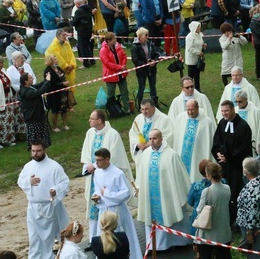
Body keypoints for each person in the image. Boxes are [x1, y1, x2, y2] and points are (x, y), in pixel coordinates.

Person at [81, 109, 134, 250]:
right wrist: (89, 166)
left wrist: (97, 167)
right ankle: (94, 239)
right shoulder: (90, 133)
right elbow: (86, 154)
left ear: (99, 120)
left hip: (108, 182)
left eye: (91, 118)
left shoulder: (113, 134)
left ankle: (114, 243)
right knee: (94, 210)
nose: (89, 120)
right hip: (94, 177)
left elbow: (115, 158)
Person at [137, 129, 192, 252]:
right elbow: (142, 174)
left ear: (161, 139)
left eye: (155, 138)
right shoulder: (146, 154)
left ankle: (179, 242)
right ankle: (154, 245)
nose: (152, 141)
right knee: (152, 217)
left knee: (172, 213)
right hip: (151, 195)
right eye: (150, 139)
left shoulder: (171, 155)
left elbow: (180, 176)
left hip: (168, 196)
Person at [17, 141, 69, 259]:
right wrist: (28, 182)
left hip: (50, 207)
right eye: (33, 151)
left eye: (38, 151)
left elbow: (65, 183)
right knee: (34, 238)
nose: (35, 153)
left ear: (45, 150)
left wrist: (55, 190)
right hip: (34, 208)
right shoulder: (28, 166)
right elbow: (20, 181)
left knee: (53, 238)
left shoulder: (54, 166)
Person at [92, 148, 142, 259]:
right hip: (104, 210)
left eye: (99, 160)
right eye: (96, 160)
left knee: (120, 237)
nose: (97, 163)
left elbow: (126, 193)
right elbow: (97, 189)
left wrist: (107, 194)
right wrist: (97, 197)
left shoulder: (117, 173)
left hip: (117, 210)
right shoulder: (97, 172)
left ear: (107, 159)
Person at [212, 100, 252, 223]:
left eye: (226, 111)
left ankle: (237, 220)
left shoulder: (243, 126)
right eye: (222, 111)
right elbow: (216, 141)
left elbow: (243, 148)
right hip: (224, 166)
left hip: (237, 167)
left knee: (236, 193)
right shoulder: (222, 123)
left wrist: (228, 157)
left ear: (233, 110)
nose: (224, 113)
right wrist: (218, 153)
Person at [171, 99, 216, 182]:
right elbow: (177, 137)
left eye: (192, 110)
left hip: (197, 157)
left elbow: (209, 142)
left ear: (198, 108)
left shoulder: (207, 122)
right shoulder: (181, 118)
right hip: (182, 156)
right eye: (188, 110)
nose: (190, 112)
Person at [194, 161, 232, 259]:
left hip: (209, 232)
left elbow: (199, 210)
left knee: (206, 255)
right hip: (224, 230)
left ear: (209, 175)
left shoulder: (207, 191)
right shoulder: (227, 188)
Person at [236, 158, 260, 258]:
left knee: (255, 254)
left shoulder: (253, 188)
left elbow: (252, 210)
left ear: (246, 171)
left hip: (255, 227)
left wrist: (249, 232)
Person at [0, 55, 21, 149]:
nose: (3, 64)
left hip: (8, 98)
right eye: (1, 63)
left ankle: (8, 139)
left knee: (8, 120)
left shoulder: (3, 71)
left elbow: (9, 83)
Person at [19, 72, 51, 150]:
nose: (32, 78)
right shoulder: (26, 92)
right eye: (30, 78)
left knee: (43, 142)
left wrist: (46, 79)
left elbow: (40, 85)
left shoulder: (30, 87)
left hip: (39, 117)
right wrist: (47, 82)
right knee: (36, 142)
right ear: (25, 82)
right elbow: (39, 91)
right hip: (33, 119)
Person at [100, 32, 130, 113]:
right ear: (108, 41)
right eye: (113, 39)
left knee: (125, 92)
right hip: (111, 75)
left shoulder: (118, 46)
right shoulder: (103, 50)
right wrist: (119, 67)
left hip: (121, 74)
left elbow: (124, 56)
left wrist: (123, 65)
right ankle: (112, 111)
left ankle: (128, 109)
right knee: (110, 94)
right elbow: (107, 63)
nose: (115, 40)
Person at [131, 28, 160, 108]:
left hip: (152, 69)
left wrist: (154, 61)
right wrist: (146, 64)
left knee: (153, 86)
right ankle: (140, 105)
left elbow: (157, 54)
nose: (147, 37)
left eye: (148, 35)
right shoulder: (135, 47)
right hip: (141, 71)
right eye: (146, 35)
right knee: (141, 87)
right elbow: (135, 60)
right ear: (140, 36)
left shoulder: (150, 44)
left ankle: (154, 104)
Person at [45, 28, 77, 98]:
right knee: (64, 86)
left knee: (71, 85)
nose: (65, 36)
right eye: (63, 35)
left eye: (66, 35)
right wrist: (66, 66)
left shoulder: (66, 44)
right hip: (61, 70)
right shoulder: (54, 46)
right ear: (58, 36)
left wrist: (72, 65)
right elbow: (58, 58)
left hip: (69, 68)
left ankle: (71, 102)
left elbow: (71, 55)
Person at [43, 54, 70, 132]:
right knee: (55, 110)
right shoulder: (48, 71)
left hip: (62, 92)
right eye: (55, 59)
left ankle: (65, 125)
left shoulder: (57, 68)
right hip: (53, 94)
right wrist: (62, 84)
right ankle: (55, 127)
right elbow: (49, 83)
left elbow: (62, 75)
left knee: (64, 108)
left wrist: (65, 82)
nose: (56, 60)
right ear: (50, 61)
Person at [185, 21, 207, 92]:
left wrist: (203, 45)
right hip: (191, 59)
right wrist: (198, 53)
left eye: (199, 26)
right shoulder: (190, 37)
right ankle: (188, 88)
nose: (199, 28)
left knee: (197, 74)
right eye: (198, 27)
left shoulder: (200, 35)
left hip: (198, 58)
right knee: (191, 75)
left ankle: (197, 89)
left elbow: (200, 42)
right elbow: (190, 49)